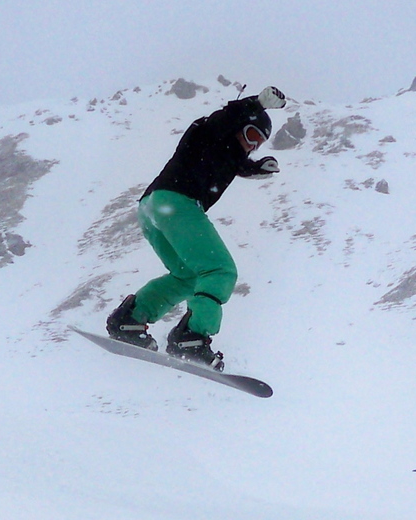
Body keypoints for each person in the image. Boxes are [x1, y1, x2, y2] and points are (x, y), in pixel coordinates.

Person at [106, 85, 287, 371]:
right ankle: (192, 336)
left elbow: (235, 162)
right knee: (219, 271)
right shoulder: (211, 129)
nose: (251, 145)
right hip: (176, 202)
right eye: (252, 136)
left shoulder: (227, 153)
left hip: (152, 208)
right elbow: (223, 120)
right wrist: (256, 104)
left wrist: (256, 167)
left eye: (259, 144)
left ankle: (130, 320)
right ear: (241, 125)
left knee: (187, 277)